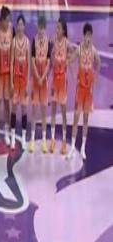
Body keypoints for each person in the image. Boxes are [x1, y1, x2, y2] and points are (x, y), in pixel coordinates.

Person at [68, 23, 101, 160]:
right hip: (80, 88)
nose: (88, 38)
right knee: (76, 117)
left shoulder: (93, 50)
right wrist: (74, 77)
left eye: (90, 36)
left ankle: (83, 148)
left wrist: (95, 79)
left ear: (91, 36)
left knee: (86, 118)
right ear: (83, 36)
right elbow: (69, 61)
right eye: (86, 35)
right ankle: (72, 148)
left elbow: (99, 63)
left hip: (89, 90)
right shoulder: (79, 49)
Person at [49, 19, 71, 155]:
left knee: (62, 111)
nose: (56, 30)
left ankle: (63, 141)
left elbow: (73, 53)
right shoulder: (54, 42)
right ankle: (52, 139)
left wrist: (67, 61)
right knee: (53, 109)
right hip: (54, 79)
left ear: (63, 30)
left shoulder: (67, 43)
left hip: (63, 80)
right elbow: (51, 56)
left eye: (58, 28)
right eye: (56, 28)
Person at [29, 16, 51, 153]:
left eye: (43, 28)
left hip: (44, 81)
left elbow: (49, 62)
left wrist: (43, 77)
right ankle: (32, 139)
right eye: (39, 27)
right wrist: (37, 76)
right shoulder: (34, 40)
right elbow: (32, 60)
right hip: (36, 80)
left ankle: (43, 140)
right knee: (34, 110)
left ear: (45, 28)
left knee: (43, 110)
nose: (41, 30)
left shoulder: (48, 41)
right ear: (37, 27)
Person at [10, 14, 31, 150]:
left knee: (24, 109)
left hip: (24, 80)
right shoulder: (14, 42)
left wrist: (28, 82)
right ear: (17, 26)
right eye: (19, 25)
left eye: (22, 25)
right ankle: (12, 137)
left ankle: (23, 137)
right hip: (16, 79)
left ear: (24, 26)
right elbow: (12, 62)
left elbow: (28, 63)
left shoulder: (27, 42)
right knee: (14, 108)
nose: (20, 27)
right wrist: (12, 82)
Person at [0, 6, 13, 147]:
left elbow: (13, 53)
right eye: (6, 20)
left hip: (8, 74)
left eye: (9, 20)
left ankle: (7, 132)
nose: (8, 22)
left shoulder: (11, 30)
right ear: (1, 20)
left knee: (7, 103)